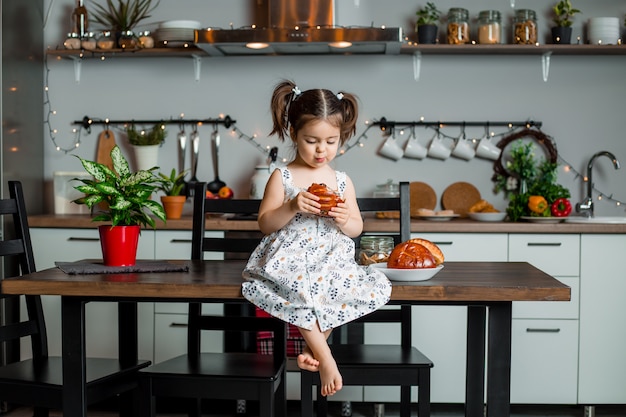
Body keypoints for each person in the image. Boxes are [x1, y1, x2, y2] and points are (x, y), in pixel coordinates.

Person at [242, 80, 392, 397]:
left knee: (356, 284)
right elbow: (265, 223)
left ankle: (315, 351)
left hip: (330, 256)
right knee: (301, 285)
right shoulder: (282, 176)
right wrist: (292, 205)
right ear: (294, 134)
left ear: (341, 138)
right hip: (290, 257)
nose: (321, 149)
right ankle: (326, 358)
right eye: (311, 140)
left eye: (331, 141)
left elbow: (357, 228)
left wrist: (344, 218)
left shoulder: (340, 180)